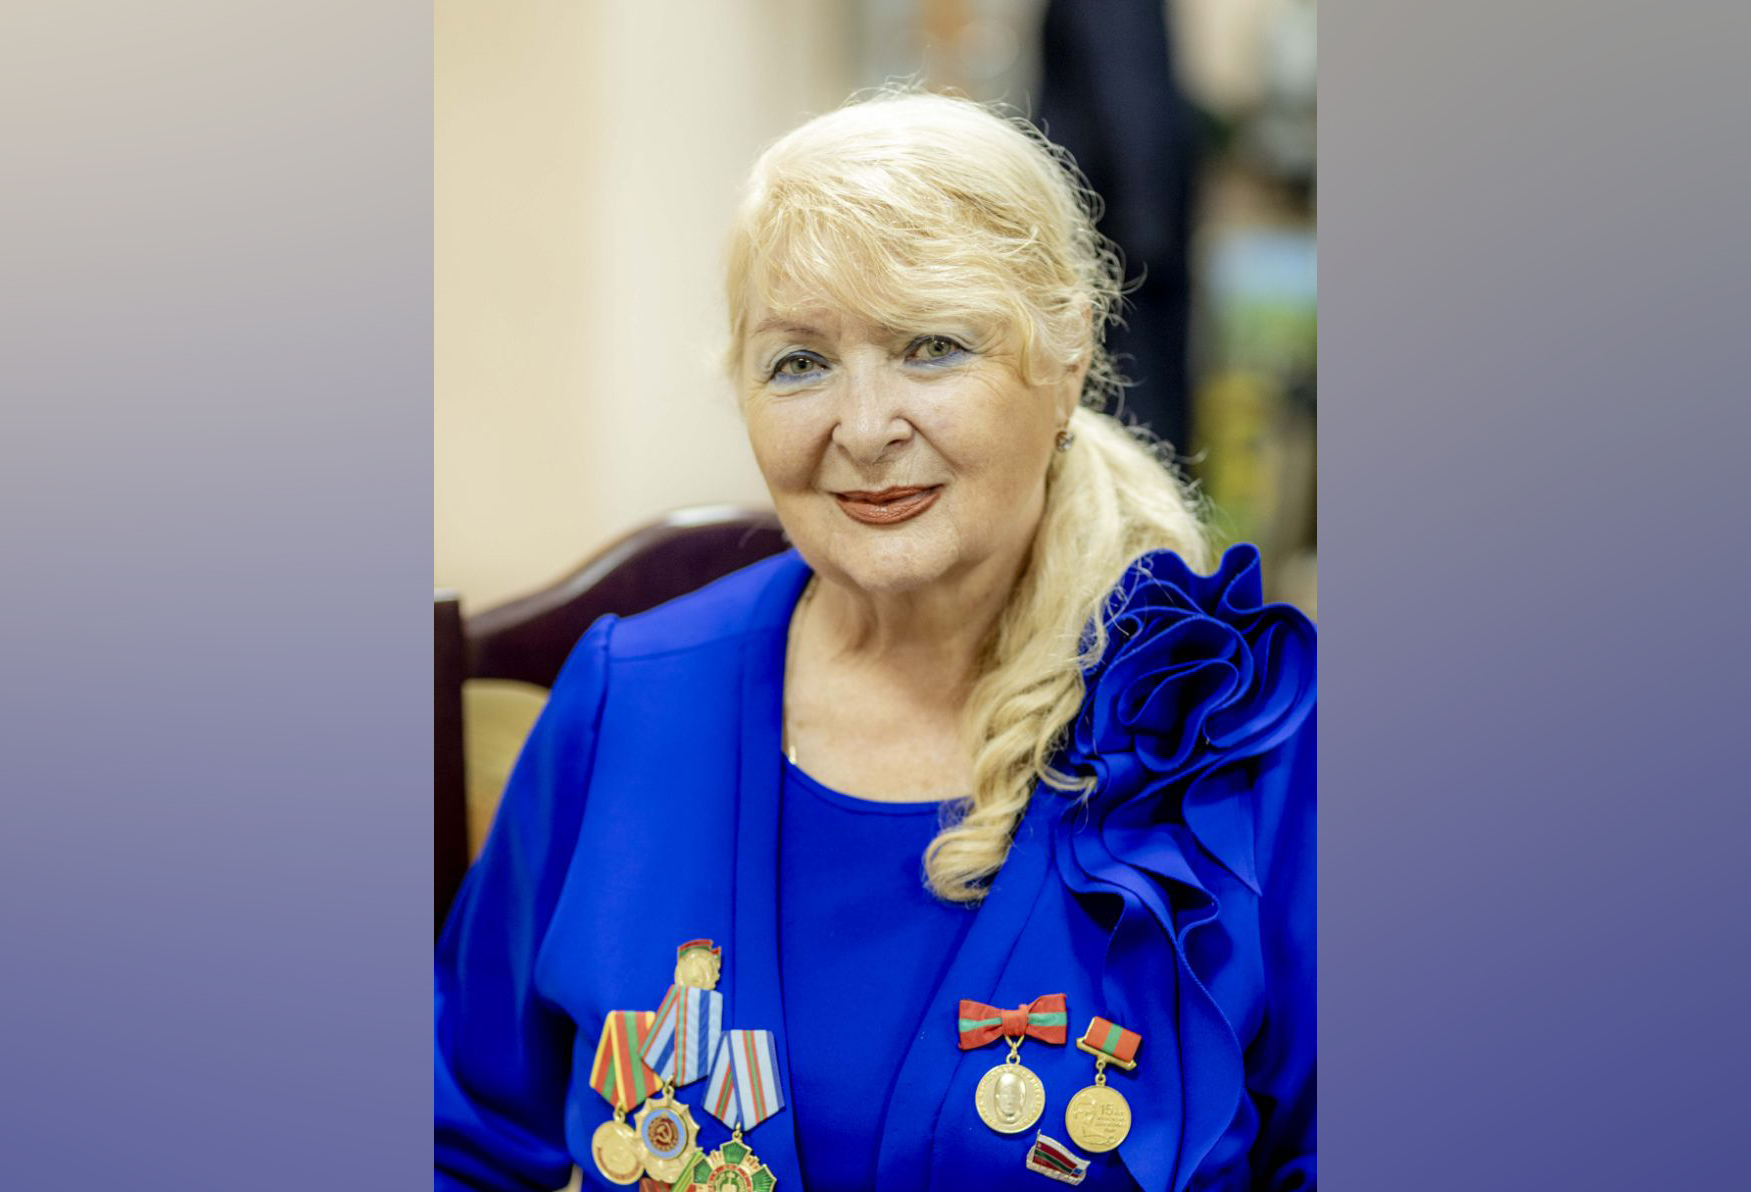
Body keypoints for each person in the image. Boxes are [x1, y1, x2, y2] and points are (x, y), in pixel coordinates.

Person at [436, 88, 1315, 1192]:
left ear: (1067, 359)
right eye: (798, 363)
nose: (860, 429)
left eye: (931, 347)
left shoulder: (1241, 731)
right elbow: (453, 1136)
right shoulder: (627, 699)